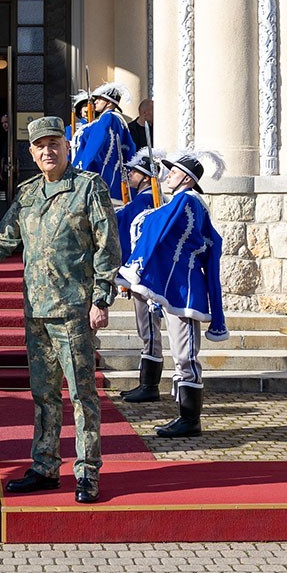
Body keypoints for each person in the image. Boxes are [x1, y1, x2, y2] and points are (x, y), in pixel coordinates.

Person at [0, 116, 121, 504]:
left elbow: (107, 245)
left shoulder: (87, 188)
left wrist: (102, 298)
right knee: (43, 394)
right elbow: (3, 239)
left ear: (67, 147)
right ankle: (45, 466)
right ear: (31, 153)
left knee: (82, 395)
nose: (48, 151)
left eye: (54, 144)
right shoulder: (28, 193)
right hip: (37, 311)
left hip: (74, 311)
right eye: (40, 146)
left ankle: (87, 472)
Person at [118, 152, 229, 437]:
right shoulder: (182, 201)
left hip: (185, 289)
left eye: (173, 172)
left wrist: (147, 215)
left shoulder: (187, 200)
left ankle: (190, 420)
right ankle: (184, 415)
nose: (167, 175)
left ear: (187, 179)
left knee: (185, 356)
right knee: (182, 354)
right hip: (176, 285)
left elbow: (159, 224)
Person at [113, 149, 167, 403]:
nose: (130, 176)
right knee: (145, 328)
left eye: (134, 172)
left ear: (146, 177)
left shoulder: (146, 201)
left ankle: (150, 384)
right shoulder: (144, 199)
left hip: (144, 273)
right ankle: (145, 382)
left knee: (149, 329)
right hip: (140, 272)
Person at [72, 83, 136, 203]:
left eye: (100, 99)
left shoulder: (107, 118)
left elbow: (94, 147)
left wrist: (79, 170)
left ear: (109, 103)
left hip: (103, 177)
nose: (95, 102)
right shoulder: (119, 120)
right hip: (115, 180)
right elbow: (131, 149)